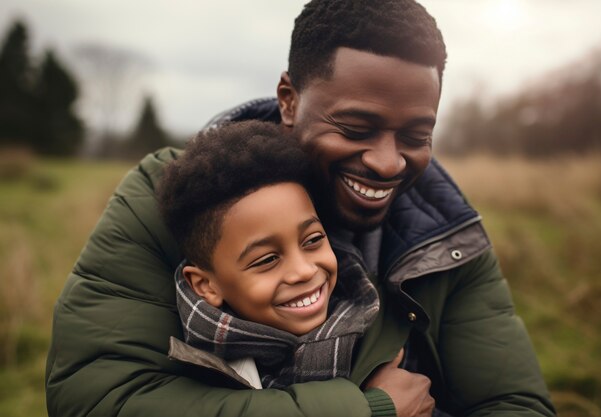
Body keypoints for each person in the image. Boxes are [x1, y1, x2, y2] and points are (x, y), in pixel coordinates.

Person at [45, 1, 556, 416]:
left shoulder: (445, 235)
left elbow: (515, 403)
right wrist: (366, 409)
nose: (387, 162)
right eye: (355, 129)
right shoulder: (172, 200)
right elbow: (96, 397)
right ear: (289, 99)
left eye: (416, 135)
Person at [157, 120, 379, 390]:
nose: (304, 271)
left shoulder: (382, 333)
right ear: (206, 285)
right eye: (267, 259)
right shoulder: (191, 381)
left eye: (313, 240)